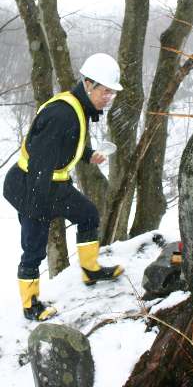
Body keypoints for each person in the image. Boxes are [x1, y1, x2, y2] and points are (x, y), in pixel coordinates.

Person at [3, 53, 125, 321]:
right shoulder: (63, 114)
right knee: (33, 247)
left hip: (53, 183)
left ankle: (90, 270)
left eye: (112, 93)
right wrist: (36, 209)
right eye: (105, 91)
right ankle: (30, 304)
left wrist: (88, 154)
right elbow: (40, 162)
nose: (109, 97)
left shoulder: (77, 109)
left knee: (88, 215)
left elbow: (67, 143)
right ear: (88, 84)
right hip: (30, 186)